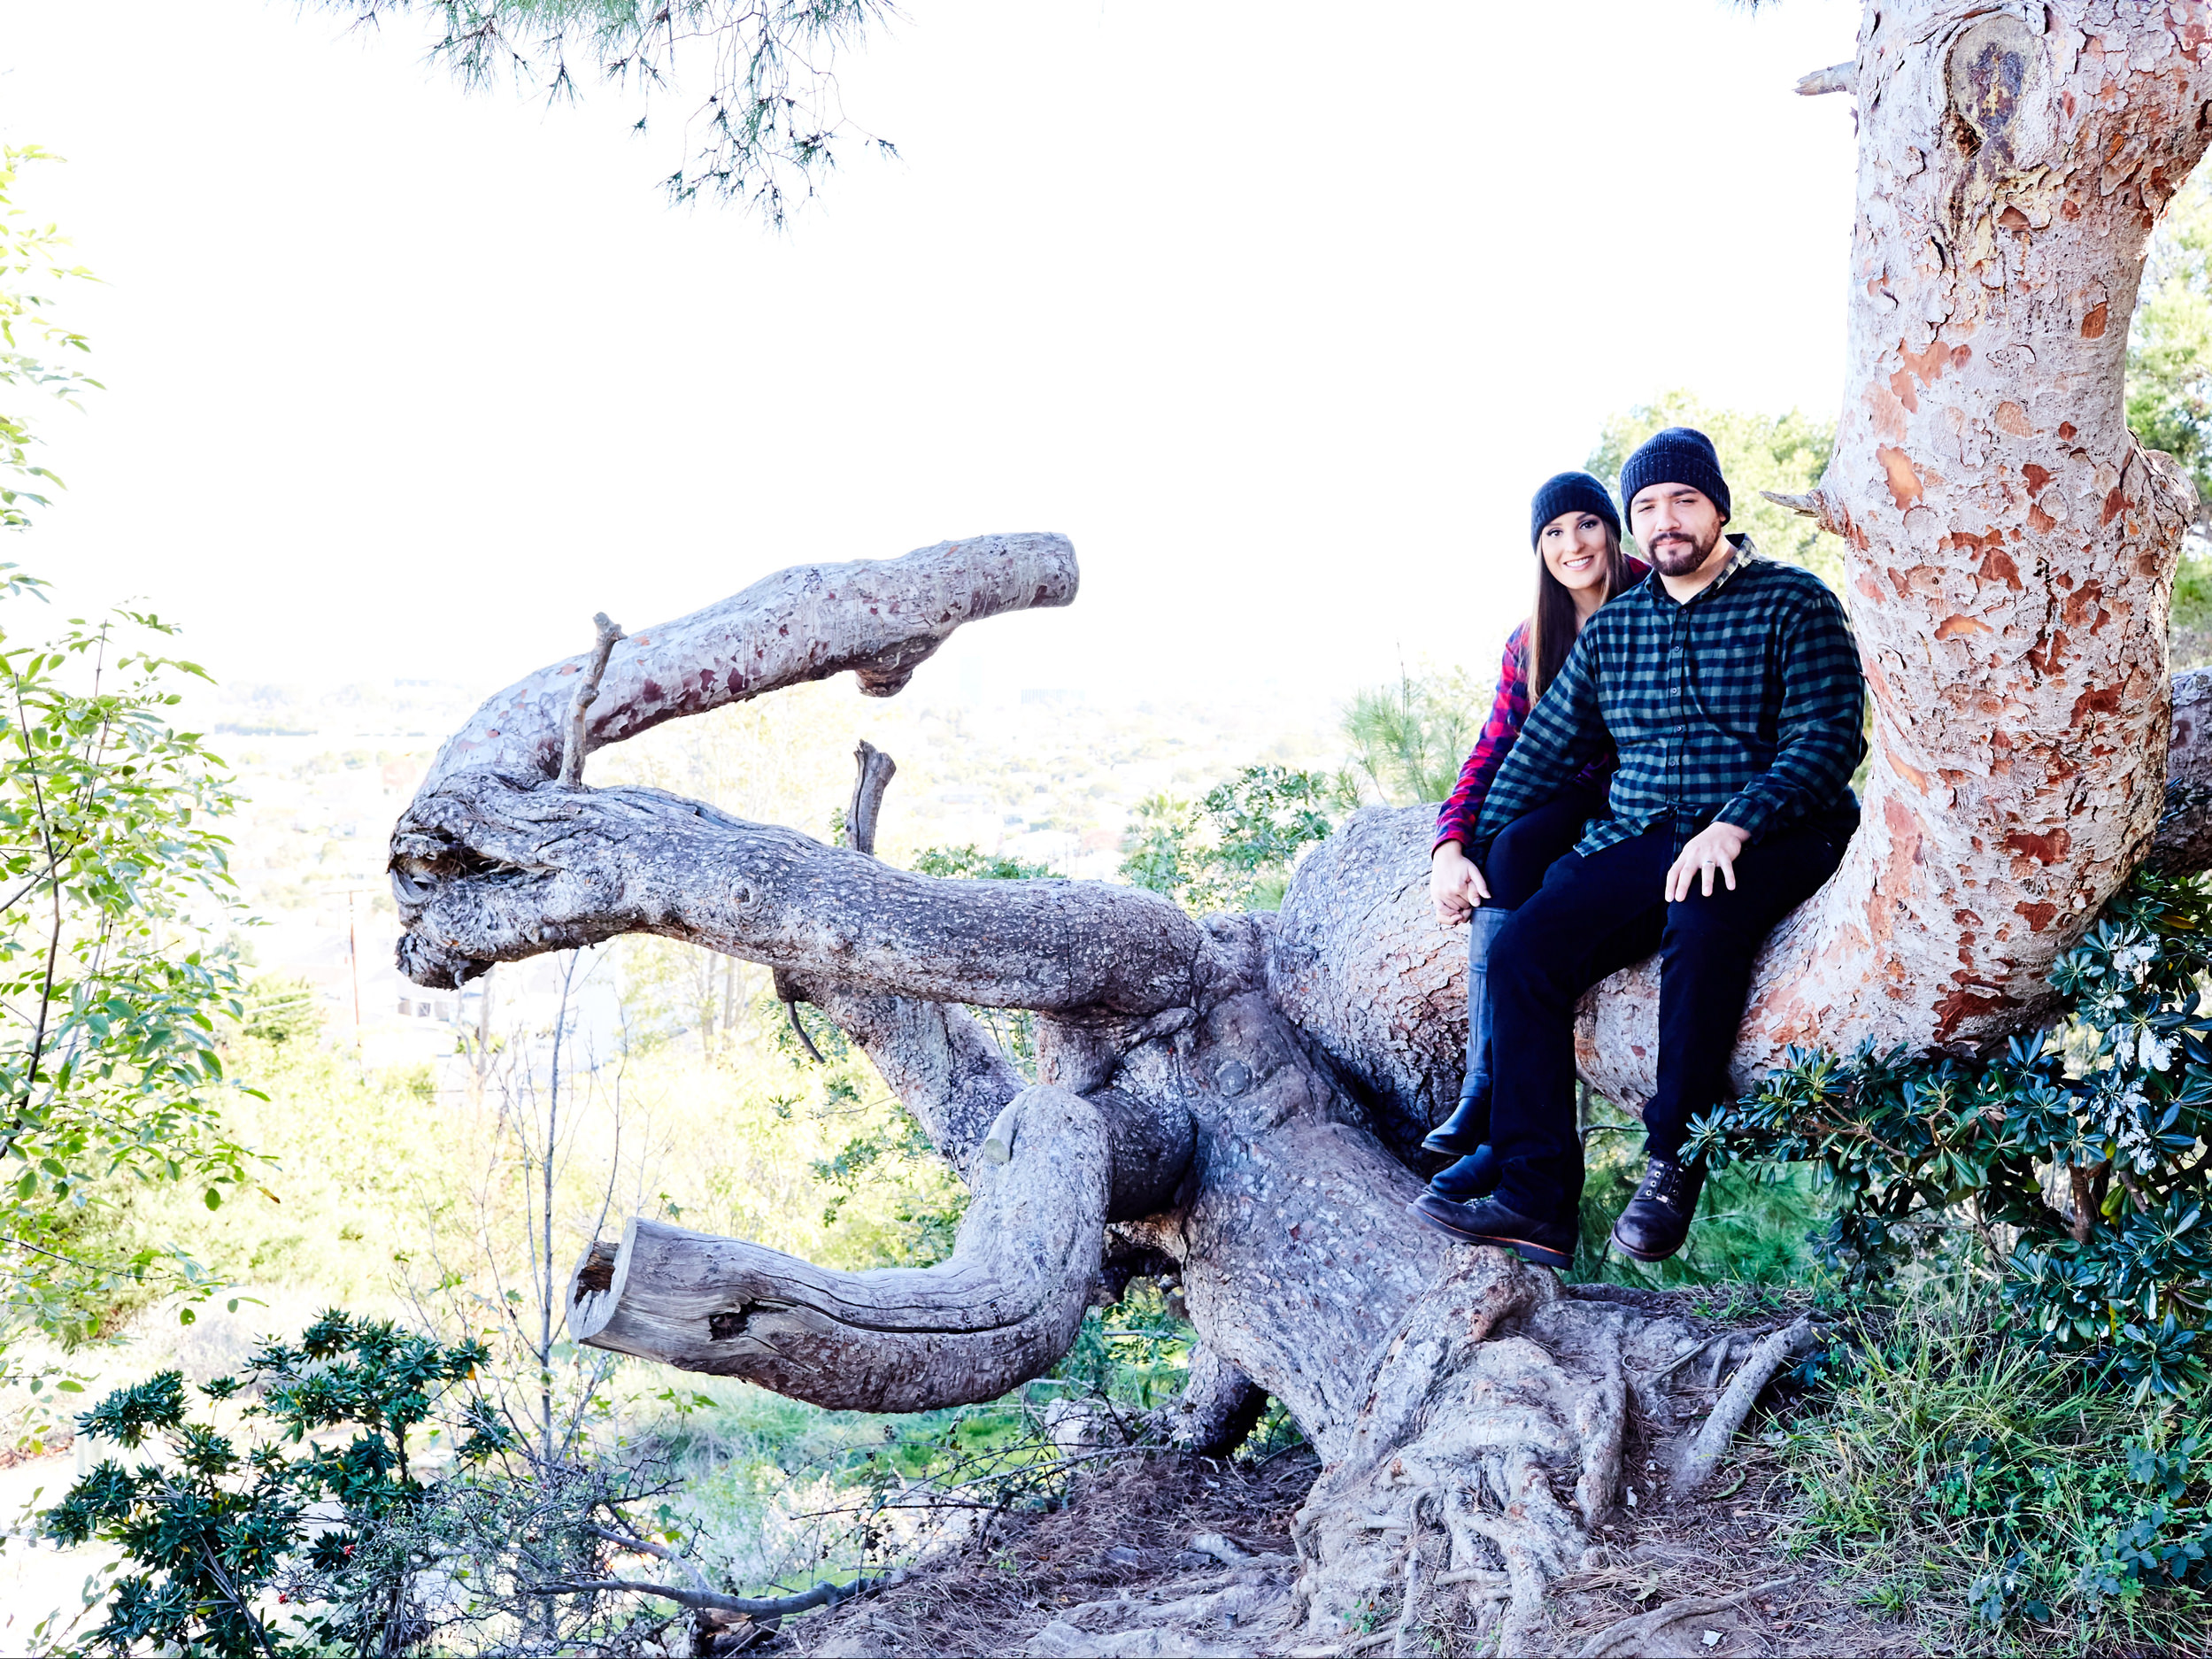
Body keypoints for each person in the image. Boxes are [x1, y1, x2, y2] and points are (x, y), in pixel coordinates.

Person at [1413, 427, 1865, 1269]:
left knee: (1702, 917)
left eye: (1682, 501)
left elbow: (1828, 737)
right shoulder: (1614, 630)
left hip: (1779, 826)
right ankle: (1534, 1198)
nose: (1665, 521)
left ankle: (1673, 1160)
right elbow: (1537, 750)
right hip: (1645, 832)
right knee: (1521, 953)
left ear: (1718, 509)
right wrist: (1456, 846)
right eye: (1647, 507)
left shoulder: (1794, 601)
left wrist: (1736, 821)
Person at [1423, 472, 1647, 1206]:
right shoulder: (1531, 639)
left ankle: (1498, 1116)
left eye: (1585, 524)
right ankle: (1483, 1085)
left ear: (1611, 529)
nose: (1571, 544)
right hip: (1576, 793)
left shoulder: (1653, 599)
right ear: (1538, 550)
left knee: (1527, 875)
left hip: (1647, 795)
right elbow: (1494, 749)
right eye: (1553, 533)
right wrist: (1448, 846)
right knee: (1510, 849)